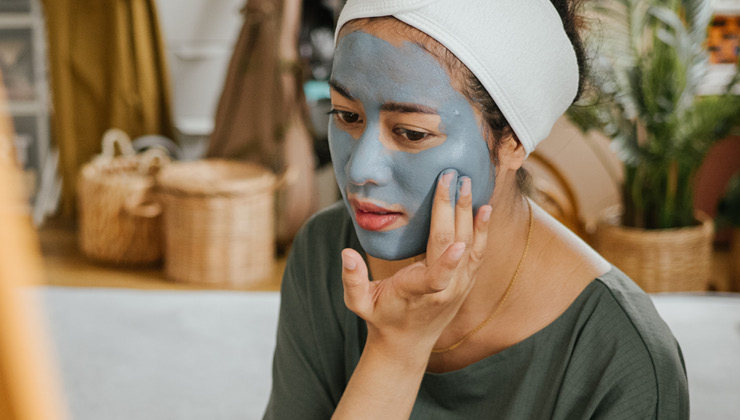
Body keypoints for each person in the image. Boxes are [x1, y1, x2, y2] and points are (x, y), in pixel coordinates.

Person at [262, 0, 689, 419]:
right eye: (346, 115)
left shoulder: (625, 357)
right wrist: (395, 349)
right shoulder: (328, 252)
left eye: (411, 132)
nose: (360, 168)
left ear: (512, 141)